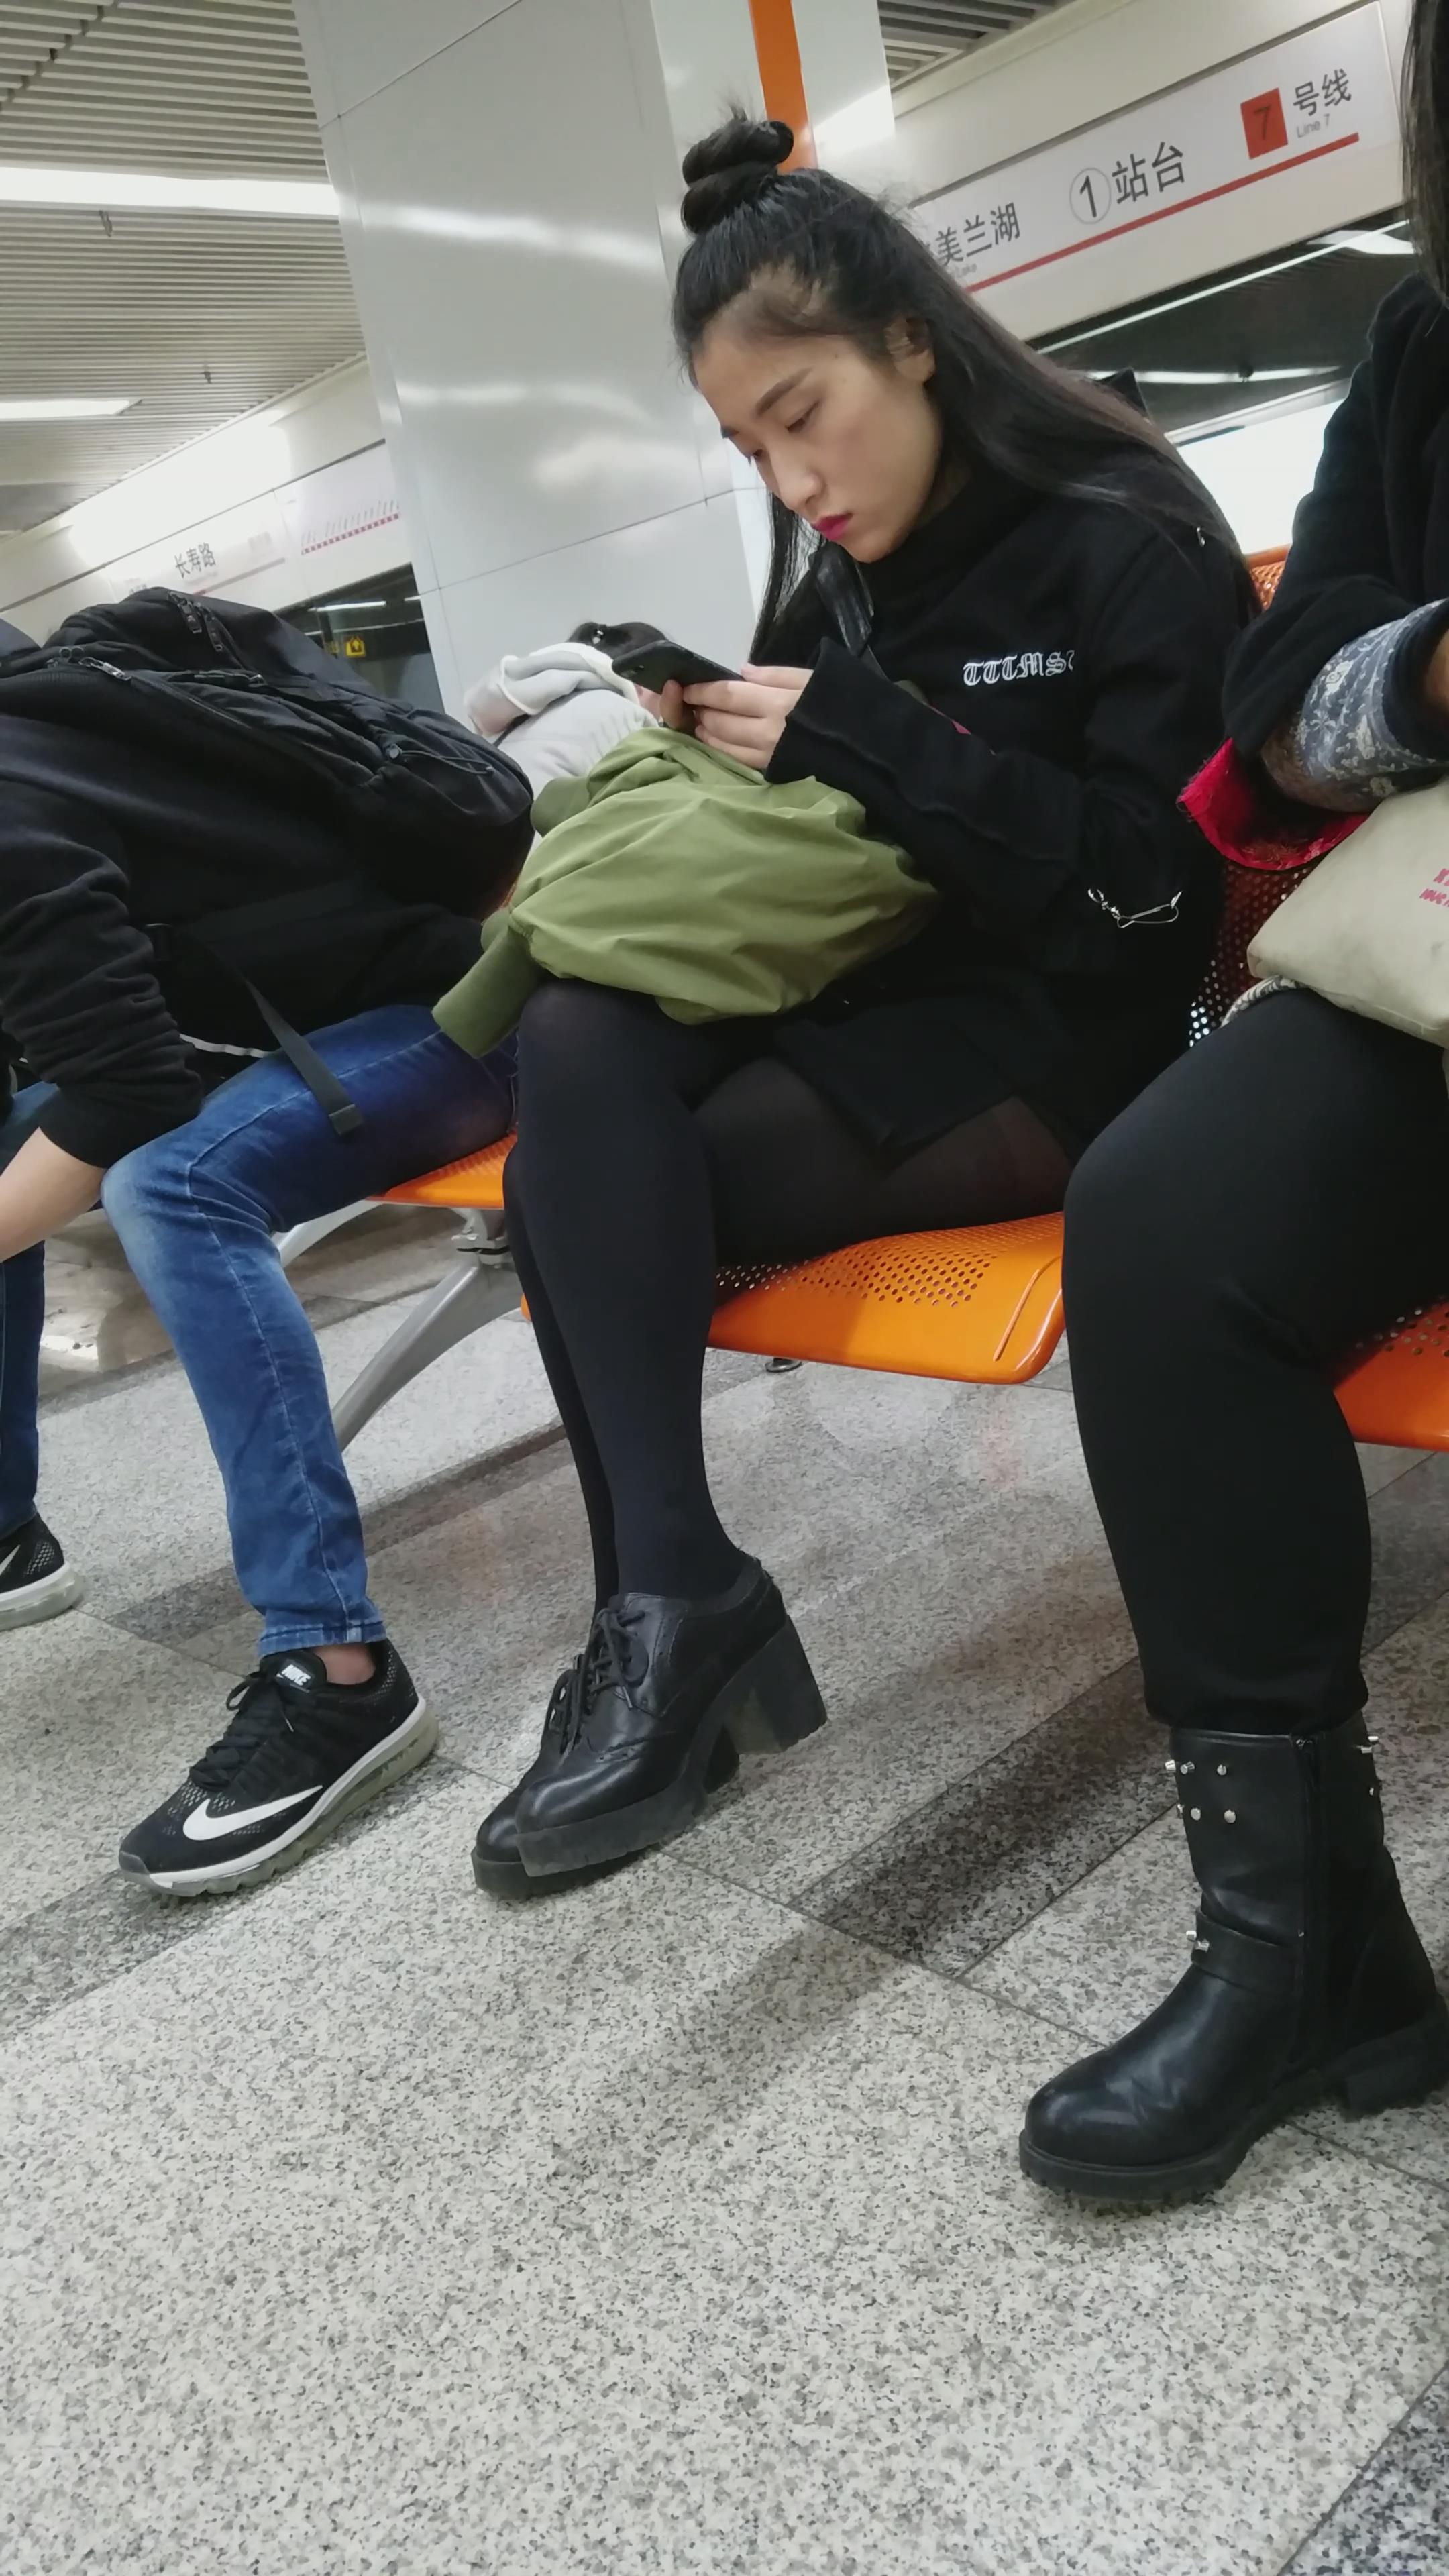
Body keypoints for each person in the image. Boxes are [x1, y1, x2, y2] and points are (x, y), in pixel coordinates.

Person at [464, 113, 1252, 1894]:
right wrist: (725, 737)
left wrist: (864, 738)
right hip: (873, 1001)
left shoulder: (1124, 535)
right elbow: (834, 844)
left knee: (577, 1193)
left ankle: (676, 1618)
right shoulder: (843, 578)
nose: (795, 477)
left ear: (912, 340)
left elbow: (1152, 907)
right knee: (577, 1034)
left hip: (1065, 1047)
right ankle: (668, 1598)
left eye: (803, 415)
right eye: (751, 448)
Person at [1017, 0, 1449, 2206]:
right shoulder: (1423, 340)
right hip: (1434, 952)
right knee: (1164, 1212)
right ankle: (1306, 1946)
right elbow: (1284, 701)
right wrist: (1439, 667)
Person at [0, 598, 525, 1896]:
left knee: (171, 1187)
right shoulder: (49, 726)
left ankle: (339, 1670)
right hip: (307, 1009)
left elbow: (123, 1090)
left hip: (477, 1004)